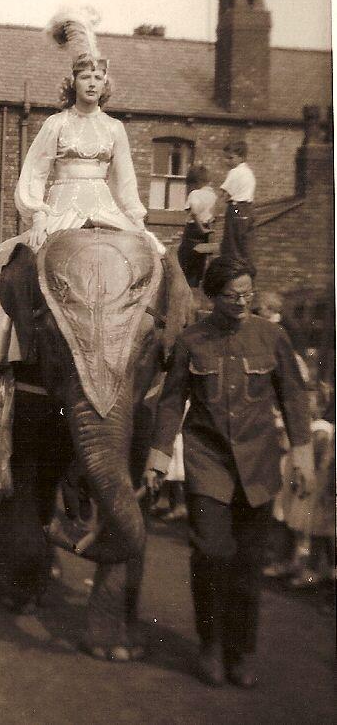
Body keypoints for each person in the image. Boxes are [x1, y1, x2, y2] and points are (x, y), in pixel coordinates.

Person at [0, 7, 167, 500]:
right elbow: (30, 178)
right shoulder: (55, 125)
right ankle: (3, 349)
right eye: (84, 74)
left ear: (105, 83)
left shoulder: (114, 131)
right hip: (63, 206)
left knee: (153, 264)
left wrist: (136, 221)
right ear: (72, 81)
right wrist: (39, 213)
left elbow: (126, 184)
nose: (91, 82)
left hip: (104, 206)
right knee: (22, 271)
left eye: (98, 75)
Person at [142, 257, 314, 689]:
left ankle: (242, 650)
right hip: (208, 462)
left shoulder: (271, 336)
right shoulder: (191, 341)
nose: (241, 303)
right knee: (211, 554)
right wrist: (159, 456)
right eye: (231, 296)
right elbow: (171, 399)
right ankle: (211, 645)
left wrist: (303, 455)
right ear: (211, 296)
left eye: (248, 295)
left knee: (247, 564)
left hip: (258, 464)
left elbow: (293, 397)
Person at [218, 139, 256, 272]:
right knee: (244, 246)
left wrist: (215, 210)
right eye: (226, 158)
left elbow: (223, 193)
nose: (227, 161)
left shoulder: (235, 172)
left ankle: (233, 274)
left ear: (241, 157)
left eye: (230, 158)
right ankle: (248, 273)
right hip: (248, 209)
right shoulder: (248, 172)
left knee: (231, 245)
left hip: (236, 209)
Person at [177, 163, 216, 288]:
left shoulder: (195, 194)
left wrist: (201, 229)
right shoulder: (213, 196)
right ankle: (194, 289)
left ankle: (185, 289)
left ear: (196, 182)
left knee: (184, 261)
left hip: (194, 230)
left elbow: (193, 213)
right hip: (207, 229)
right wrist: (207, 229)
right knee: (199, 264)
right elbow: (213, 216)